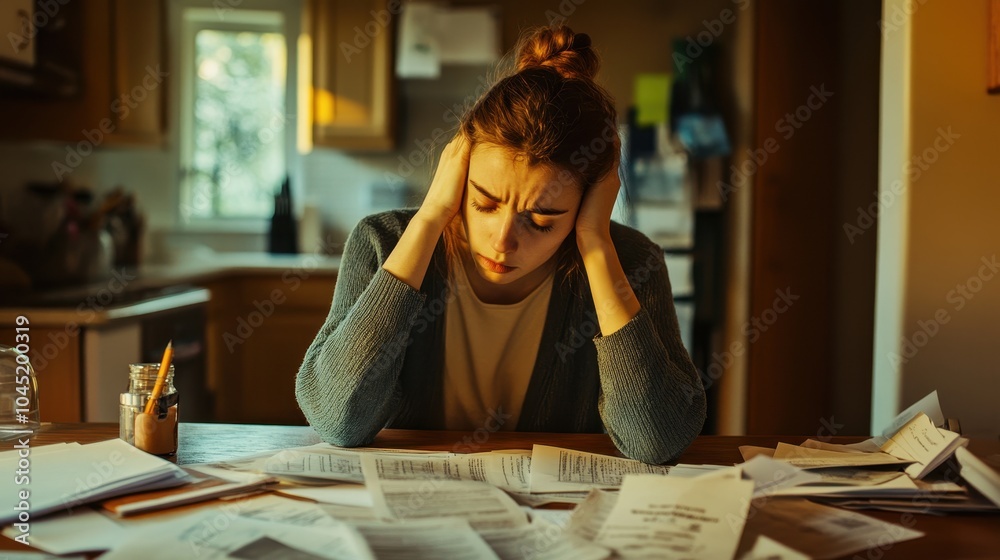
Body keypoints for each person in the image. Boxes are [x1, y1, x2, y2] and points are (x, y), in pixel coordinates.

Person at [296, 25, 705, 464]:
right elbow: (337, 418)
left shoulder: (631, 261)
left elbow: (657, 440)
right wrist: (432, 215)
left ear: (589, 202)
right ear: (458, 171)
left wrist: (596, 242)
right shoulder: (382, 243)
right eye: (484, 203)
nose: (503, 241)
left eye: (542, 221)